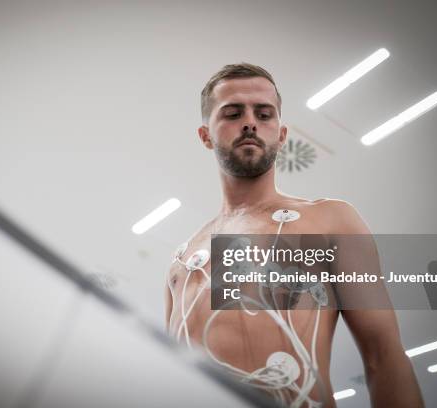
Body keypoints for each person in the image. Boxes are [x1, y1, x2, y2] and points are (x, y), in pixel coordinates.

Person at [164, 63, 423, 407]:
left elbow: (384, 356)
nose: (250, 122)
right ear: (205, 135)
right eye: (232, 113)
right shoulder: (183, 262)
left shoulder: (330, 221)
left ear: (282, 135)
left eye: (265, 113)